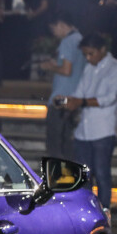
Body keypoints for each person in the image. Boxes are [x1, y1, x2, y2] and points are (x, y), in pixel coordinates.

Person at [62, 33, 117, 209]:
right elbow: (80, 93)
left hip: (103, 131)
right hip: (83, 131)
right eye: (85, 54)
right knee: (84, 175)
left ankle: (105, 212)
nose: (88, 58)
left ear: (102, 50)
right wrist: (69, 101)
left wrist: (80, 102)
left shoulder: (116, 68)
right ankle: (87, 210)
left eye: (90, 53)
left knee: (102, 173)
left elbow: (110, 98)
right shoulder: (89, 68)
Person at [41, 11, 85, 161]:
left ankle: (57, 179)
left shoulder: (67, 42)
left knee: (54, 142)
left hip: (60, 99)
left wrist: (50, 67)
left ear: (61, 25)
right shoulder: (81, 39)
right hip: (74, 98)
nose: (54, 33)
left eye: (54, 29)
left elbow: (66, 70)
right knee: (67, 142)